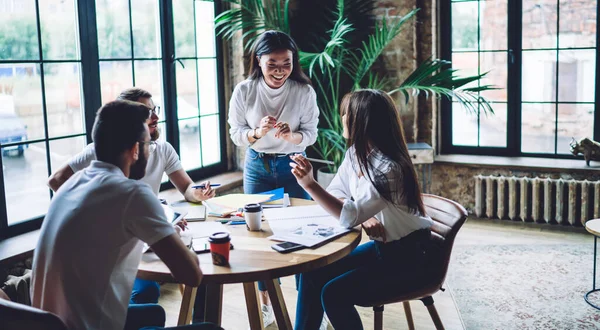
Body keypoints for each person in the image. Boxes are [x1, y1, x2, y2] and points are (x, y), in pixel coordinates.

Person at [31, 100, 221, 330]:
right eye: (149, 145)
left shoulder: (73, 183)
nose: (151, 152)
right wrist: (172, 231)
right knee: (212, 328)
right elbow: (192, 276)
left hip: (49, 324)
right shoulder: (132, 192)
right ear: (135, 149)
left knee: (153, 314)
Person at [289, 89, 435, 330]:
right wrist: (363, 217)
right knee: (313, 274)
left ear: (363, 120)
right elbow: (338, 191)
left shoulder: (389, 169)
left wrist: (310, 185)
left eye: (347, 113)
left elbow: (348, 215)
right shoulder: (356, 154)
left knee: (333, 294)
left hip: (409, 257)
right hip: (385, 248)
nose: (343, 117)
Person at [226, 30, 319, 327]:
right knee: (260, 234)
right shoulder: (244, 90)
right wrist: (258, 132)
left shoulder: (303, 91)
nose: (280, 71)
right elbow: (237, 133)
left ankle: (311, 305)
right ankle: (266, 305)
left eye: (286, 64)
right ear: (259, 61)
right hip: (257, 166)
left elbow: (311, 133)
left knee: (302, 233)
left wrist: (292, 136)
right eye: (272, 64)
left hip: (294, 164)